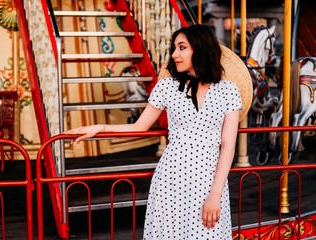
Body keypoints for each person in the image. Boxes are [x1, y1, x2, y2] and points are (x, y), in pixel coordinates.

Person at [65, 24, 242, 239]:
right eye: (174, 48)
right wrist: (100, 128)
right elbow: (139, 126)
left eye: (182, 47)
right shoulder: (167, 86)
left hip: (210, 179)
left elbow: (228, 144)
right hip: (171, 177)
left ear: (201, 49)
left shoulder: (228, 90)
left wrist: (215, 194)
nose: (175, 54)